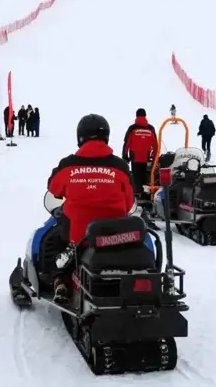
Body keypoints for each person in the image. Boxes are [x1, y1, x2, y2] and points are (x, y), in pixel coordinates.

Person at [47, 114, 134, 303]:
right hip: (116, 236)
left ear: (80, 137)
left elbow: (53, 188)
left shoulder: (68, 165)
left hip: (78, 237)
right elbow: (129, 202)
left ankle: (60, 281)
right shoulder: (120, 166)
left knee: (56, 241)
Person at [122, 108, 158, 199]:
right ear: (145, 116)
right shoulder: (151, 128)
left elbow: (126, 143)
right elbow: (156, 145)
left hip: (135, 157)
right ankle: (146, 195)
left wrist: (125, 156)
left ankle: (137, 196)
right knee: (146, 176)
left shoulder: (132, 128)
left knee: (136, 176)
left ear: (136, 116)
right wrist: (155, 158)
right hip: (147, 158)